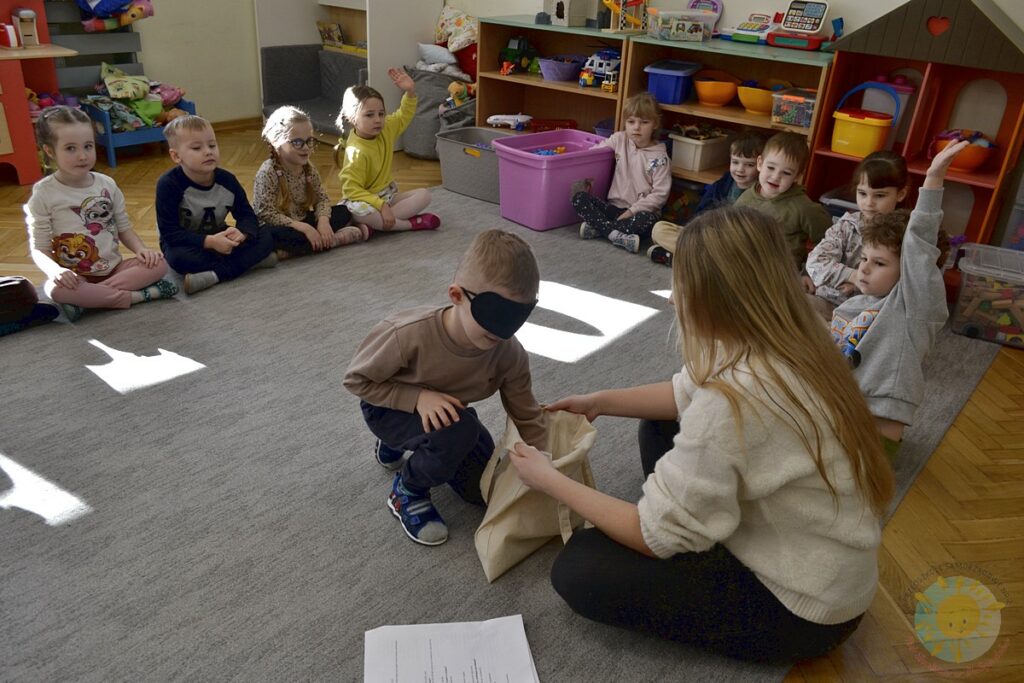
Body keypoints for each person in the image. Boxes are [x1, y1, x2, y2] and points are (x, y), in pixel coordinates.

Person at [507, 206, 894, 663]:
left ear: (711, 299)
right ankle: (692, 512)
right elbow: (682, 391)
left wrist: (552, 481)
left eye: (680, 285)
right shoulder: (798, 334)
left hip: (800, 612)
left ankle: (689, 520)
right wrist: (600, 401)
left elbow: (651, 536)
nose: (673, 298)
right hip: (827, 572)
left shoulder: (732, 402)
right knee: (661, 421)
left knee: (580, 567)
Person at [344, 230, 546, 546]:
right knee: (458, 431)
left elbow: (526, 411)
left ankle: (412, 444)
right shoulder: (406, 334)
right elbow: (357, 380)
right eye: (494, 320)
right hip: (386, 407)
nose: (502, 335)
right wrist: (417, 397)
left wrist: (546, 460)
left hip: (445, 413)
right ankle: (407, 489)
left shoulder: (508, 352)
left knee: (483, 490)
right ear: (456, 296)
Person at [830, 140, 966, 457]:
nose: (862, 270)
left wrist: (933, 179)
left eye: (879, 264)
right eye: (864, 259)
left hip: (880, 416)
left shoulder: (913, 304)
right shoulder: (855, 303)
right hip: (844, 402)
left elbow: (919, 243)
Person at [25, 106, 176, 322]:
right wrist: (55, 271)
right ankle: (139, 296)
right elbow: (40, 249)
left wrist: (142, 249)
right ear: (50, 151)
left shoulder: (107, 185)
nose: (82, 156)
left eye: (88, 146)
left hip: (114, 269)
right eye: (70, 148)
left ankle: (89, 302)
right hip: (75, 280)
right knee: (54, 290)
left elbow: (124, 228)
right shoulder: (43, 194)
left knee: (159, 264)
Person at [156, 115, 276, 295]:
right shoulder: (168, 185)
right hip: (189, 243)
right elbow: (170, 233)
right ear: (176, 155)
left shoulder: (227, 180)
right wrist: (209, 242)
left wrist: (242, 233)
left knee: (266, 234)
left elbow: (246, 215)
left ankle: (214, 275)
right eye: (197, 148)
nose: (208, 152)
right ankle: (253, 263)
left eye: (212, 145)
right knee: (177, 258)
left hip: (219, 234)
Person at [804, 151, 908, 319]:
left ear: (900, 194)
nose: (868, 203)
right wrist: (853, 277)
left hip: (870, 312)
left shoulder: (903, 234)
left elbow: (903, 284)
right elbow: (816, 261)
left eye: (880, 195)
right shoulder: (847, 225)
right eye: (862, 193)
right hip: (828, 300)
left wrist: (860, 285)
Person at [252, 106, 364, 260]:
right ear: (277, 143)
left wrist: (323, 222)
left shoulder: (308, 168)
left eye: (309, 141)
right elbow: (265, 213)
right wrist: (304, 228)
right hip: (279, 226)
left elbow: (322, 199)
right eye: (297, 142)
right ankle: (333, 240)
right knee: (272, 236)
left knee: (343, 211)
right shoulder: (267, 172)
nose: (306, 148)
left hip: (301, 219)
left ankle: (301, 248)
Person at [337, 69, 440, 234]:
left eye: (381, 113)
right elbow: (351, 190)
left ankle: (379, 225)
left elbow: (403, 115)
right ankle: (408, 225)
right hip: (362, 200)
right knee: (360, 213)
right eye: (369, 115)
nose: (378, 119)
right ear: (352, 118)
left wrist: (410, 91)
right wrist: (380, 205)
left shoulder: (385, 128)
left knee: (425, 195)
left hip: (385, 195)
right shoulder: (356, 151)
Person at [572, 92, 671, 254]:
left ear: (655, 124)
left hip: (638, 213)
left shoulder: (660, 157)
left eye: (644, 122)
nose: (636, 127)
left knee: (648, 223)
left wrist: (632, 211)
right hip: (614, 208)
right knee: (579, 198)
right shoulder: (620, 139)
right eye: (631, 122)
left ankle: (600, 229)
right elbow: (595, 152)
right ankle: (614, 234)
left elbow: (659, 196)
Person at [648, 131, 763, 267]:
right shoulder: (724, 182)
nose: (740, 169)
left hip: (729, 244)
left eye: (749, 165)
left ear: (760, 165)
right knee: (659, 229)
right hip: (706, 236)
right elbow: (702, 212)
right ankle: (700, 260)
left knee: (737, 255)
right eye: (735, 162)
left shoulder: (759, 191)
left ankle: (691, 259)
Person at [734, 131, 832, 271]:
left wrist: (808, 273)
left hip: (783, 275)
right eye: (771, 167)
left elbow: (829, 243)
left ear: (797, 175)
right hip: (746, 269)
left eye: (786, 173)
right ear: (760, 163)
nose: (775, 177)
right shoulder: (746, 197)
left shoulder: (804, 208)